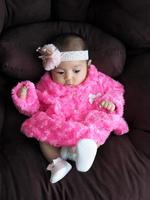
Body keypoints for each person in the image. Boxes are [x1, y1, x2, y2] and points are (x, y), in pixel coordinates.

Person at [12, 33, 129, 183]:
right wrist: (26, 97)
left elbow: (116, 89)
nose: (68, 77)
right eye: (60, 72)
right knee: (40, 130)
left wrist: (111, 102)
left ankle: (81, 152)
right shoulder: (47, 85)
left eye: (76, 71)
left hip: (88, 121)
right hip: (61, 126)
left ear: (88, 65)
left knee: (101, 125)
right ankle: (58, 163)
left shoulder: (98, 79)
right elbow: (36, 107)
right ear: (51, 70)